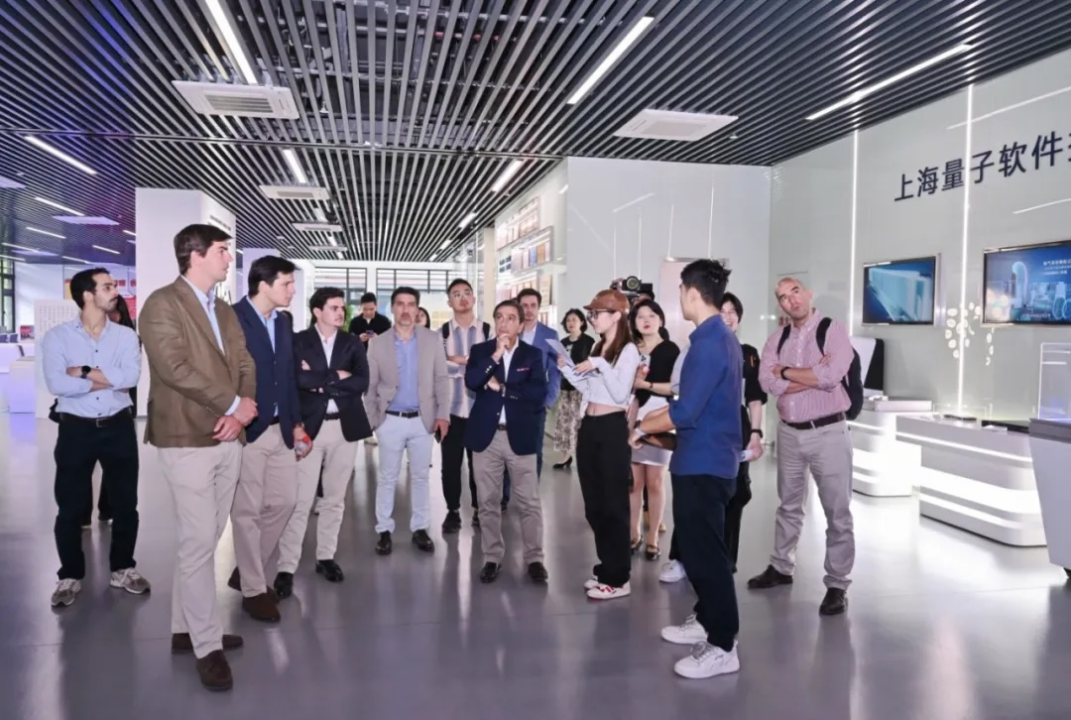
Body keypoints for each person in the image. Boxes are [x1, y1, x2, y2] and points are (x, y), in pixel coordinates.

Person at [139, 223, 257, 692]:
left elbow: (244, 361)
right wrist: (233, 405)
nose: (229, 258)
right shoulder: (161, 304)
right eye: (223, 250)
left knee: (203, 540)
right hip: (186, 437)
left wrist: (243, 409)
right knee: (196, 541)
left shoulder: (223, 308)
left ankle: (184, 629)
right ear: (196, 255)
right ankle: (206, 646)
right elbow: (174, 369)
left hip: (229, 435)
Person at [631, 258, 742, 680]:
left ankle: (723, 644)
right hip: (700, 458)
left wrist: (642, 426)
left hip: (706, 464)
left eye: (680, 290)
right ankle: (707, 618)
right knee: (696, 550)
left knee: (707, 556)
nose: (678, 297)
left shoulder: (711, 343)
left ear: (692, 293)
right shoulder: (713, 338)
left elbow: (686, 410)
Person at [41, 268, 148, 608]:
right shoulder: (58, 337)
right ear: (87, 295)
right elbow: (57, 384)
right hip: (76, 430)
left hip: (118, 427)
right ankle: (70, 575)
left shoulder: (126, 336)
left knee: (126, 505)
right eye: (107, 286)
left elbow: (130, 378)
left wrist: (84, 372)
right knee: (70, 507)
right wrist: (107, 380)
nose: (115, 291)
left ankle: (123, 568)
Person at [752, 277, 855, 617]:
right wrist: (807, 373)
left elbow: (831, 377)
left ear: (808, 293)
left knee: (837, 512)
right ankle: (781, 567)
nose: (791, 300)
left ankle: (837, 584)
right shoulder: (776, 339)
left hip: (829, 432)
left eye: (795, 291)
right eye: (783, 297)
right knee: (788, 506)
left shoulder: (833, 330)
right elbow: (767, 382)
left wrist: (785, 372)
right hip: (789, 433)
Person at [659, 292, 766, 583]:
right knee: (692, 494)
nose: (728, 317)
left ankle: (725, 561)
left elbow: (755, 398)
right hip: (702, 423)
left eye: (733, 312)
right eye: (723, 311)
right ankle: (681, 557)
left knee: (734, 496)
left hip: (736, 426)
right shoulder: (701, 348)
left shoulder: (747, 352)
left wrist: (755, 433)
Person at [225, 256, 309, 623]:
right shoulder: (232, 319)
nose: (292, 291)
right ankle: (253, 590)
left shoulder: (283, 322)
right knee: (247, 511)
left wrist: (297, 423)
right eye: (286, 284)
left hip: (281, 427)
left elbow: (287, 376)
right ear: (263, 285)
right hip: (249, 429)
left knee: (286, 501)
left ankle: (248, 571)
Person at [276, 287, 372, 596]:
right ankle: (286, 567)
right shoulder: (298, 341)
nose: (341, 312)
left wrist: (318, 380)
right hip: (309, 429)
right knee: (301, 500)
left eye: (342, 308)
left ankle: (325, 557)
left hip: (345, 428)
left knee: (334, 498)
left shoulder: (352, 342)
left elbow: (362, 381)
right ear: (317, 311)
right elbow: (295, 379)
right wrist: (337, 376)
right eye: (334, 307)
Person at [557, 289, 640, 601]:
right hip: (589, 427)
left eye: (596, 313)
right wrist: (567, 368)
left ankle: (619, 578)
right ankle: (607, 567)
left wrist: (599, 364)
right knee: (594, 505)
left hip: (611, 429)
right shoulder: (598, 346)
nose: (592, 318)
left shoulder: (628, 350)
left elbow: (619, 393)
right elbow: (589, 389)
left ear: (616, 315)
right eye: (591, 313)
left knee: (614, 505)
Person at [464, 299, 548, 584]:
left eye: (511, 318)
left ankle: (534, 558)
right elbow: (472, 381)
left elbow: (537, 394)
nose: (504, 323)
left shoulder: (532, 355)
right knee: (487, 502)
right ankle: (492, 557)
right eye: (499, 317)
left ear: (521, 325)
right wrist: (496, 355)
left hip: (520, 436)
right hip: (486, 438)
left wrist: (502, 388)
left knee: (529, 502)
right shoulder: (481, 351)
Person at [365, 286, 450, 555]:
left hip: (422, 421)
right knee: (387, 478)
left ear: (417, 309)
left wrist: (443, 415)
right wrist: (373, 421)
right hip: (390, 420)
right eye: (400, 304)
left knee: (421, 476)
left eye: (411, 304)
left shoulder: (432, 339)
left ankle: (420, 529)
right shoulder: (378, 343)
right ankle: (384, 530)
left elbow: (441, 379)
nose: (405, 310)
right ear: (392, 308)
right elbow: (370, 386)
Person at [628, 299, 679, 561]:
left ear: (660, 319)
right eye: (640, 317)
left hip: (660, 417)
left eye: (651, 315)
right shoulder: (630, 350)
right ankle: (633, 534)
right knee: (634, 483)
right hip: (632, 418)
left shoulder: (670, 349)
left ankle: (653, 539)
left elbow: (675, 387)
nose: (646, 320)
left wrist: (645, 384)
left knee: (655, 482)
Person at [439, 278, 490, 533]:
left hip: (481, 412)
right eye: (456, 294)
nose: (463, 297)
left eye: (467, 292)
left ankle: (480, 509)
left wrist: (456, 361)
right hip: (451, 412)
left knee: (479, 467)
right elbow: (438, 368)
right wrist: (472, 365)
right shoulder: (441, 333)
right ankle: (453, 511)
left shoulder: (488, 332)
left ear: (474, 298)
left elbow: (492, 367)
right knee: (450, 466)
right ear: (449, 302)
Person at [81, 293, 136, 528]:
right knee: (83, 465)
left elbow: (126, 382)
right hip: (83, 411)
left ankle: (107, 509)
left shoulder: (128, 339)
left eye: (115, 313)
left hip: (118, 411)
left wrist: (91, 375)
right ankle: (82, 515)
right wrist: (108, 378)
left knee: (114, 466)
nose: (110, 318)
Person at [502, 288, 560, 507]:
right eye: (524, 305)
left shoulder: (549, 335)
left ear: (539, 307)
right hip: (509, 401)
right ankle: (504, 496)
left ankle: (529, 497)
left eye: (533, 305)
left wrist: (549, 400)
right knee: (507, 448)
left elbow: (554, 371)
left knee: (534, 451)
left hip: (536, 403)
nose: (528, 310)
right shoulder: (508, 330)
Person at [551, 309, 594, 470]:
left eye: (574, 319)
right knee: (564, 422)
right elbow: (558, 364)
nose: (571, 323)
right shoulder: (562, 342)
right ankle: (566, 456)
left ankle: (584, 455)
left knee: (578, 423)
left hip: (581, 388)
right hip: (565, 387)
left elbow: (591, 364)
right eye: (568, 320)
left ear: (582, 322)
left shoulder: (588, 341)